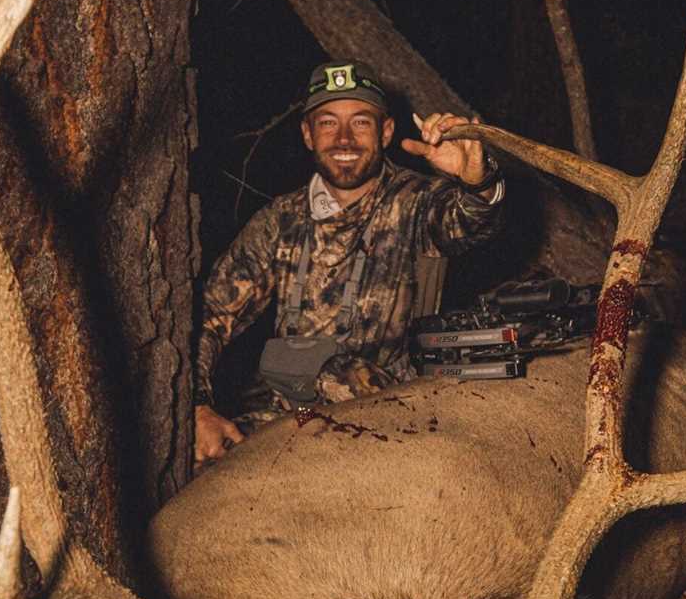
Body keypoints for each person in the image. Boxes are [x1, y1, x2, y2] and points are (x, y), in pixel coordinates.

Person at [194, 61, 504, 465]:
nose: (344, 139)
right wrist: (199, 409)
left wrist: (477, 181)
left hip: (387, 420)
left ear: (386, 132)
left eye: (360, 123)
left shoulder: (415, 204)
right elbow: (211, 318)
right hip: (291, 417)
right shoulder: (279, 220)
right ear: (307, 134)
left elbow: (471, 219)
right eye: (327, 123)